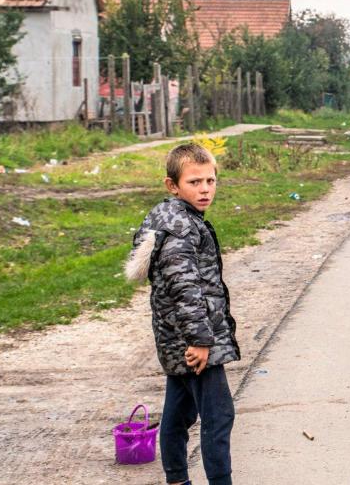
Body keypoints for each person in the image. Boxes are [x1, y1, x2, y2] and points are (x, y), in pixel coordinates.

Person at [127, 143, 239, 485]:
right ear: (172, 185)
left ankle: (177, 479)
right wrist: (201, 340)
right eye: (194, 182)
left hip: (176, 336)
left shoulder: (172, 217)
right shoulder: (181, 228)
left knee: (178, 413)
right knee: (218, 416)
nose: (205, 189)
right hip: (194, 339)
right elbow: (185, 288)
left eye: (210, 180)